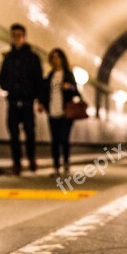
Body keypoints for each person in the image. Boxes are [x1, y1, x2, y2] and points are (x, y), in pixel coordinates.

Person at [0, 23, 44, 176]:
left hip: (28, 102)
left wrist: (39, 99)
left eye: (19, 35)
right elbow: (0, 78)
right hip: (12, 101)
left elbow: (39, 80)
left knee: (30, 132)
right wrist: (8, 88)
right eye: (14, 35)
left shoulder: (33, 58)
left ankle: (31, 159)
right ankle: (17, 164)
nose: (16, 38)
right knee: (13, 134)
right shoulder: (8, 57)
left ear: (24, 37)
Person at [38, 48, 79, 176]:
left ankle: (66, 165)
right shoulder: (49, 76)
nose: (56, 60)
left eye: (58, 57)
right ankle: (56, 167)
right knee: (55, 140)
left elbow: (76, 92)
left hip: (66, 113)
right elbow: (44, 92)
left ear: (62, 59)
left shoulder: (68, 75)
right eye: (53, 58)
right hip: (52, 112)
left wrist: (69, 87)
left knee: (64, 139)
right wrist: (42, 104)